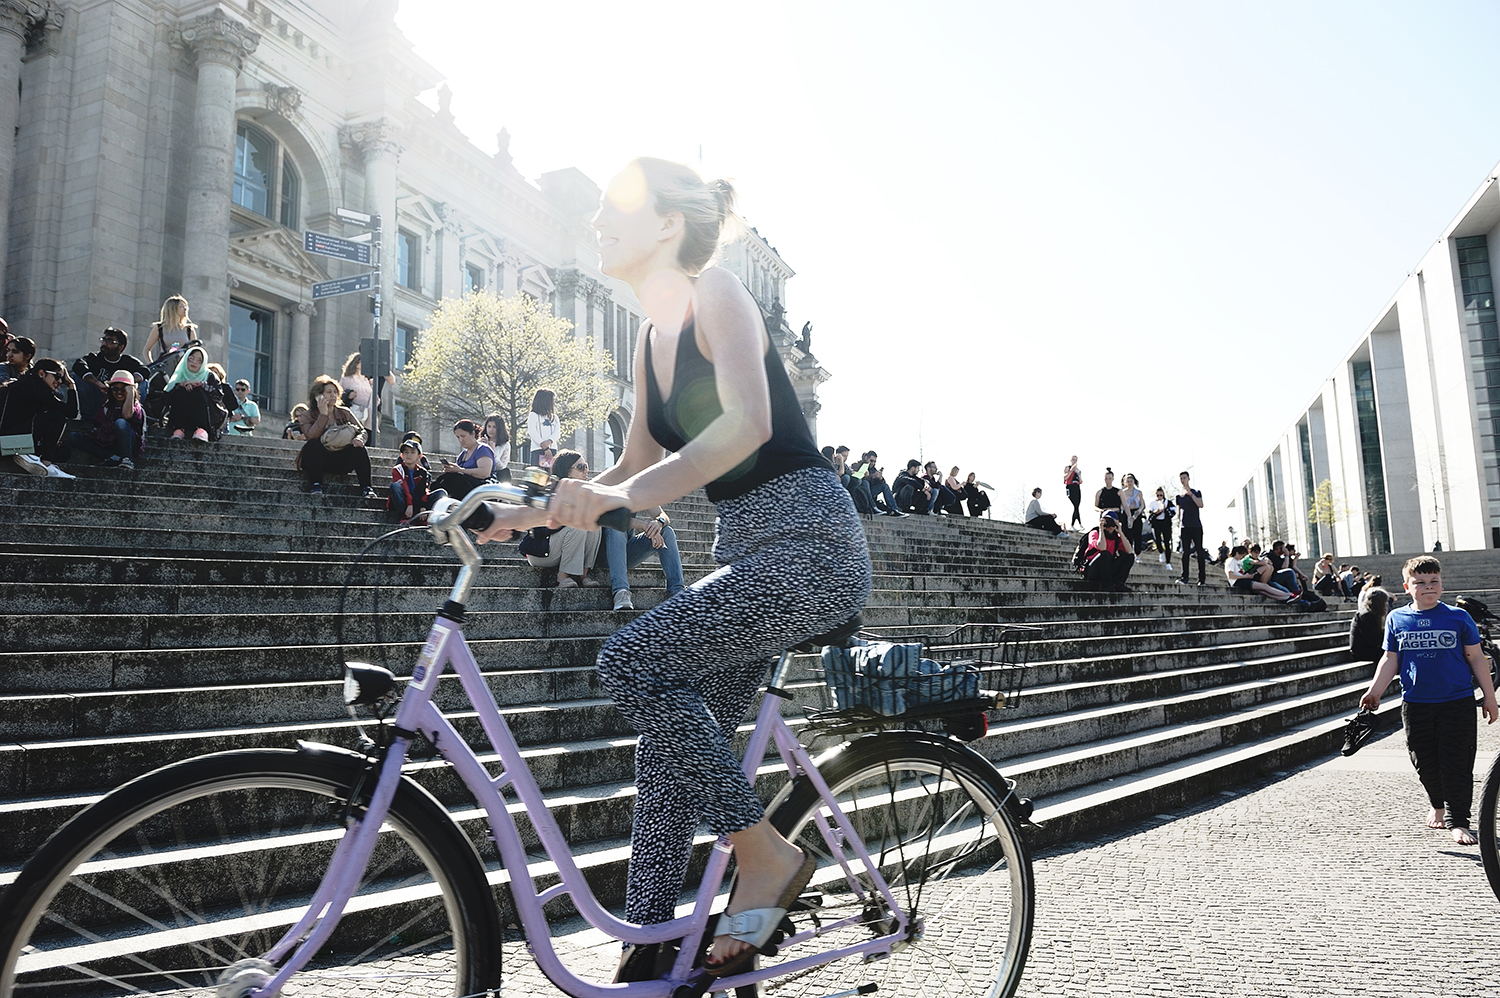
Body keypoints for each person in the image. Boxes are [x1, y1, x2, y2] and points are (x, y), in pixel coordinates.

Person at [472, 158, 869, 978]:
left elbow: (745, 427)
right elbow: (624, 473)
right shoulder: (652, 340)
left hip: (810, 546)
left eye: (617, 208)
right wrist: (527, 512)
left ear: (666, 226)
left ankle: (765, 855)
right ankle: (648, 957)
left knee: (632, 659)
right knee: (671, 748)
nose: (597, 221)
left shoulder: (715, 290)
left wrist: (630, 493)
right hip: (750, 557)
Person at [1360, 557, 1499, 846]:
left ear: (1441, 583)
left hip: (1457, 700)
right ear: (1407, 587)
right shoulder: (1398, 619)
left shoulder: (1458, 618)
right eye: (1420, 582)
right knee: (1423, 760)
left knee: (1458, 761)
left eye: (1433, 581)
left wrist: (1489, 696)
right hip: (1416, 702)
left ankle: (1458, 821)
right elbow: (1390, 659)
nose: (1428, 587)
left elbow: (1476, 658)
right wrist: (1374, 691)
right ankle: (1438, 803)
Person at [520, 449, 603, 589]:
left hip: (561, 546)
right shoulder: (551, 492)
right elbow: (540, 530)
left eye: (586, 466)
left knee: (594, 525)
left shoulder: (584, 494)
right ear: (567, 471)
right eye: (581, 467)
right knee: (578, 525)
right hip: (541, 550)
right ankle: (563, 576)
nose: (586, 471)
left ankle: (583, 574)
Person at [297, 375, 377, 498]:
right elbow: (311, 436)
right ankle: (316, 485)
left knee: (360, 450)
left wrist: (359, 439)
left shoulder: (344, 412)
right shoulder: (307, 415)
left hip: (340, 459)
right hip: (317, 460)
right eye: (329, 392)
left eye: (335, 392)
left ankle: (367, 488)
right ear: (318, 395)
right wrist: (323, 415)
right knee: (312, 445)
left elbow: (363, 431)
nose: (333, 395)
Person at [1, 357, 78, 478]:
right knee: (57, 416)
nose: (60, 381)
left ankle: (28, 455)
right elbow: (71, 412)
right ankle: (45, 463)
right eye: (57, 376)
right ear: (41, 373)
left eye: (62, 379)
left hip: (10, 439)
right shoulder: (35, 387)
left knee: (63, 453)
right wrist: (71, 384)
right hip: (10, 440)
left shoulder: (27, 385)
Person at [603, 504, 687, 610]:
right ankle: (621, 591)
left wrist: (658, 522)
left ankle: (677, 591)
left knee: (667, 532)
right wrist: (644, 525)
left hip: (625, 553)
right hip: (602, 552)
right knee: (616, 527)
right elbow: (611, 518)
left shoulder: (637, 490)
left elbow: (663, 515)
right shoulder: (606, 488)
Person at [67, 371, 144, 469]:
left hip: (128, 443)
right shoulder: (107, 406)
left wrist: (130, 394)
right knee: (73, 437)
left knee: (120, 422)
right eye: (115, 389)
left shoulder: (136, 406)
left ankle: (126, 459)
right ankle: (113, 457)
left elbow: (127, 416)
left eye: (123, 389)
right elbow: (98, 425)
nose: (119, 392)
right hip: (108, 441)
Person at [72, 327, 149, 420]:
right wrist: (97, 383)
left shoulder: (128, 361)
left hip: (121, 401)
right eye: (104, 340)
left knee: (143, 382)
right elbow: (78, 365)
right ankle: (88, 418)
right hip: (99, 398)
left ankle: (134, 414)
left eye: (110, 341)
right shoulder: (94, 357)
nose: (104, 344)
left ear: (121, 347)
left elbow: (145, 370)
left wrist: (126, 383)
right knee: (80, 377)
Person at [160, 346, 223, 442]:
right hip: (184, 416)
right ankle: (179, 429)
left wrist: (201, 384)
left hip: (206, 417)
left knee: (197, 392)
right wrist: (180, 385)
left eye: (199, 360)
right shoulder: (180, 374)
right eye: (191, 358)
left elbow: (218, 396)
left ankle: (202, 430)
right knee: (180, 392)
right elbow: (166, 397)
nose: (194, 362)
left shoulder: (209, 375)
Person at [430, 418, 497, 499]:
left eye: (463, 436)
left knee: (455, 478)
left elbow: (484, 473)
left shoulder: (482, 449)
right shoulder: (463, 454)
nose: (461, 440)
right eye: (458, 437)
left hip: (479, 488)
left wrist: (460, 470)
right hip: (464, 487)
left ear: (472, 434)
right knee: (445, 478)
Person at [1073, 509, 1134, 592]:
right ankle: (1107, 585)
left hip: (1106, 569)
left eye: (1111, 521)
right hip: (1091, 569)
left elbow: (1130, 551)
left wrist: (1120, 531)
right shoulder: (1095, 533)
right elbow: (1102, 548)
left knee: (1129, 557)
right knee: (1105, 554)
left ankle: (1118, 583)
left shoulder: (1116, 537)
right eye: (1106, 520)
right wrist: (1101, 529)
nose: (1108, 523)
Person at [1224, 544, 1297, 603]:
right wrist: (1246, 576)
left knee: (1263, 591)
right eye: (1242, 555)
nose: (1242, 557)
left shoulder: (1238, 561)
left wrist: (1246, 576)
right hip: (1238, 581)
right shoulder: (1231, 560)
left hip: (1243, 579)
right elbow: (1230, 575)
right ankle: (1289, 595)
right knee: (1264, 587)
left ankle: (1286, 598)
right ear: (1237, 553)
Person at [388, 437, 434, 523]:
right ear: (401, 455)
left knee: (440, 493)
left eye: (412, 452)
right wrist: (409, 504)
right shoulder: (398, 469)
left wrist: (423, 506)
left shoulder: (422, 472)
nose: (409, 455)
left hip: (416, 500)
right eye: (406, 452)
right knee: (395, 486)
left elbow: (423, 490)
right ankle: (403, 516)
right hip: (403, 499)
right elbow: (404, 487)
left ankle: (426, 517)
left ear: (419, 456)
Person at [141, 294, 197, 365]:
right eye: (181, 306)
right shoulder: (159, 328)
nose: (185, 308)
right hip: (165, 366)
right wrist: (152, 364)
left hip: (184, 366)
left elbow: (195, 352)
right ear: (172, 309)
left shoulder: (189, 329)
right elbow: (146, 349)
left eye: (185, 306)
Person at [339, 351, 393, 425]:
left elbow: (392, 381)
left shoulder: (366, 380)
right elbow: (339, 395)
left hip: (368, 415)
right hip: (354, 413)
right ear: (356, 364)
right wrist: (348, 396)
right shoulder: (347, 379)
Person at [1175, 470, 1207, 586]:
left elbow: (1200, 504)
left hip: (1196, 525)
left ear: (1188, 479)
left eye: (1184, 478)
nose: (1183, 480)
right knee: (1185, 553)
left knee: (1200, 551)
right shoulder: (1179, 496)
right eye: (1181, 478)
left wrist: (1190, 493)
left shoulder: (1196, 492)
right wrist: (1179, 523)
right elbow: (1179, 511)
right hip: (1185, 527)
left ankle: (1202, 579)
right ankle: (1185, 577)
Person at [1348, 586, 1390, 663]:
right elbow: (1373, 640)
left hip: (1370, 648)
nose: (1386, 605)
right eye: (1385, 602)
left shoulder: (1371, 614)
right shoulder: (1365, 616)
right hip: (1362, 652)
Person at [526, 388, 560, 466]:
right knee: (538, 476)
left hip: (552, 450)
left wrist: (549, 442)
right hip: (537, 450)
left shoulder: (554, 418)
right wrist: (544, 446)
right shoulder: (533, 415)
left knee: (551, 475)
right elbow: (533, 432)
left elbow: (557, 433)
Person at [1147, 486, 1175, 569]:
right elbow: (1150, 515)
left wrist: (1164, 509)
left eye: (1161, 495)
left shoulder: (1168, 502)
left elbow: (1173, 513)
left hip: (1166, 523)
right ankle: (1160, 552)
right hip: (1157, 524)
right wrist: (1156, 512)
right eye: (1158, 495)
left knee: (1167, 542)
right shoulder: (1153, 504)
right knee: (1157, 539)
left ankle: (1168, 562)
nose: (1159, 497)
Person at [481, 413, 513, 481]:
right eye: (489, 426)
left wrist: (492, 452)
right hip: (481, 472)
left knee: (505, 472)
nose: (491, 430)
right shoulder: (480, 442)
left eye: (494, 427)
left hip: (496, 474)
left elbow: (502, 467)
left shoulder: (505, 445)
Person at [1118, 473, 1145, 551]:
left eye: (1131, 481)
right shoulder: (1122, 492)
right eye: (1128, 481)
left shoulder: (1139, 492)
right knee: (1127, 533)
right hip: (1126, 514)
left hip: (1137, 513)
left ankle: (1137, 552)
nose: (1130, 483)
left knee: (1137, 534)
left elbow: (1142, 504)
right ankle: (1129, 550)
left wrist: (1138, 512)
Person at [1063, 454, 1082, 527]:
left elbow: (1081, 481)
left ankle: (1073, 524)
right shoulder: (1068, 468)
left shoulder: (1078, 470)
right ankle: (1078, 523)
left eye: (1075, 460)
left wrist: (1078, 474)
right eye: (1073, 460)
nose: (1074, 461)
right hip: (1070, 487)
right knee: (1075, 505)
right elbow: (1065, 477)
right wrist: (1071, 470)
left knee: (1077, 505)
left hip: (1077, 487)